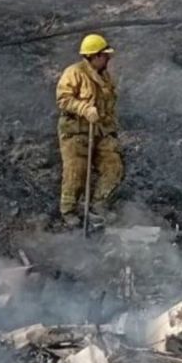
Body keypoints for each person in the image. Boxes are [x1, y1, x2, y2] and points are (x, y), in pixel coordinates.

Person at [56, 34, 123, 228]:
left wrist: (111, 130)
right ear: (94, 56)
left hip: (100, 131)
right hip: (76, 132)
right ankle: (68, 211)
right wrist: (84, 109)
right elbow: (63, 99)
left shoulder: (104, 76)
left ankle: (97, 206)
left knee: (114, 166)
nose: (108, 59)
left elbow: (108, 107)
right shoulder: (74, 73)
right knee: (76, 172)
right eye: (104, 55)